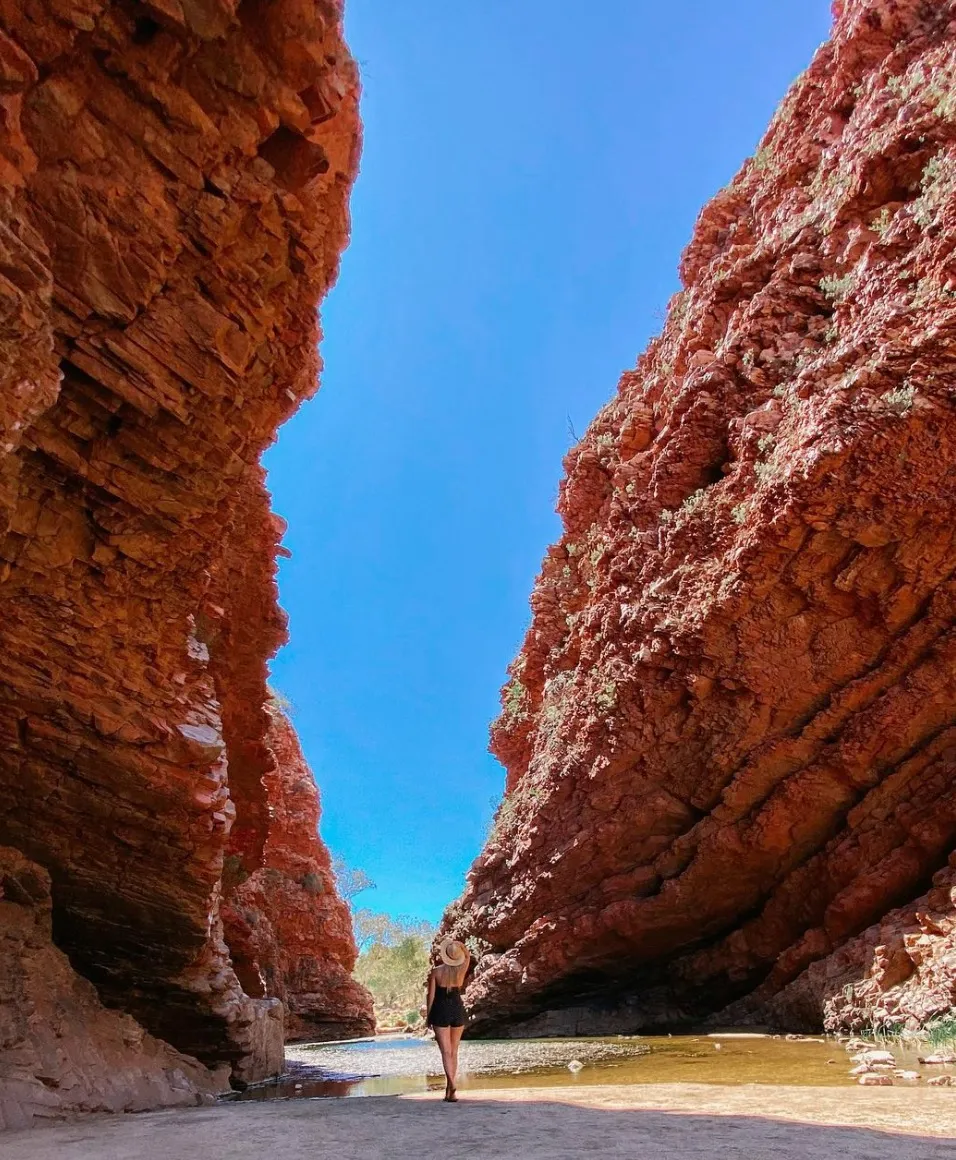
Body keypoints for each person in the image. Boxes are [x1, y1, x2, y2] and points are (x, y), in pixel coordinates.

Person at [425, 937, 471, 1102]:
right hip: (457, 1009)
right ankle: (450, 1090)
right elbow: (468, 956)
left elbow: (430, 996)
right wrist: (460, 947)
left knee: (445, 1052)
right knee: (454, 1051)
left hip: (440, 1009)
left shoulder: (436, 972)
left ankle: (450, 1084)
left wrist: (428, 1017)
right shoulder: (461, 969)